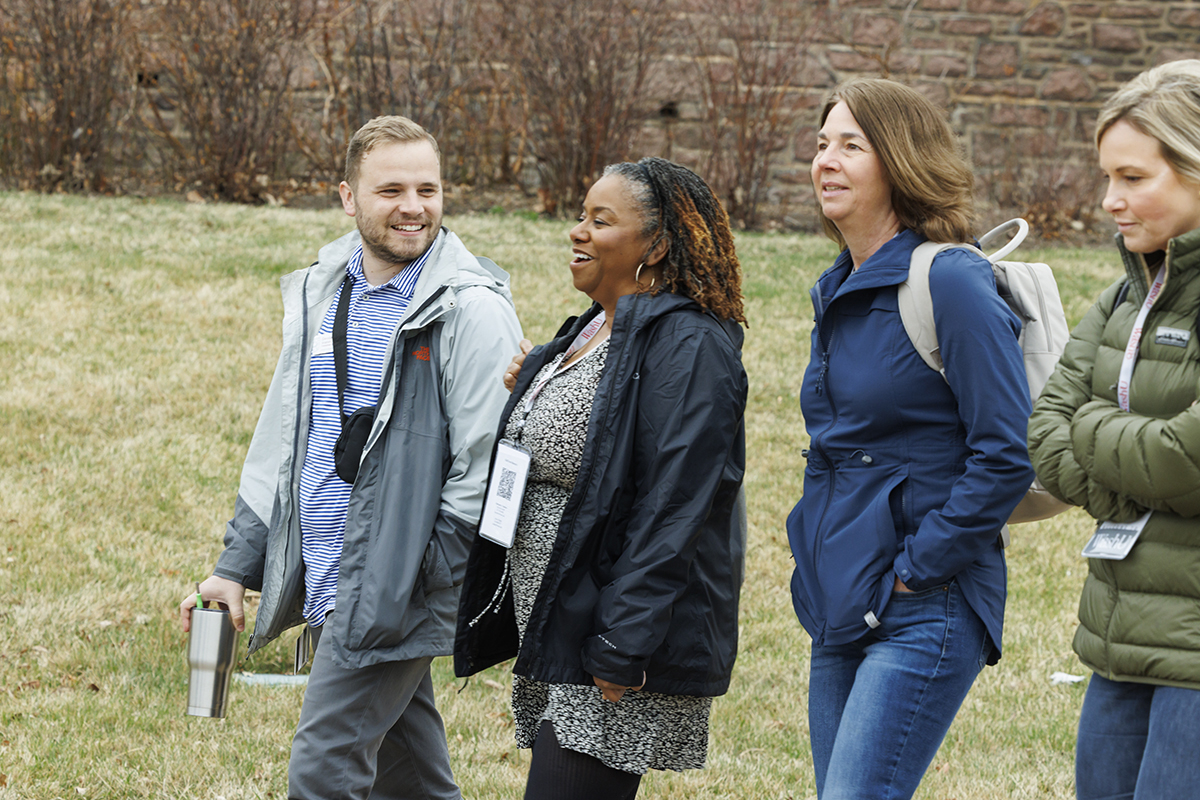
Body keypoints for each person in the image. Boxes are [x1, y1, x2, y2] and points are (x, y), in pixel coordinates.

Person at [177, 115, 522, 800]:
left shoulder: (469, 310)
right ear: (347, 197)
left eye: (428, 188)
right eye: (391, 189)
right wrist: (234, 567)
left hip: (394, 583)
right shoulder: (322, 291)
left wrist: (422, 577)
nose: (414, 207)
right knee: (411, 780)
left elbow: (493, 461)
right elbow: (285, 437)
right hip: (339, 570)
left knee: (322, 773)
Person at [454, 157, 748, 800]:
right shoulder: (590, 328)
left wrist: (623, 642)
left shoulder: (690, 346)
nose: (577, 232)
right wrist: (535, 376)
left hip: (610, 636)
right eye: (581, 216)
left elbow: (676, 505)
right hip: (562, 618)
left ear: (658, 245)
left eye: (600, 220)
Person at [786, 78, 1035, 799]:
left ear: (898, 160)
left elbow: (1003, 455)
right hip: (841, 597)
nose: (825, 160)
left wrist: (919, 568)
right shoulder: (836, 289)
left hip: (927, 600)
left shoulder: (951, 280)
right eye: (822, 143)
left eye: (851, 146)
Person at [1027, 60, 1200, 800]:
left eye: (1133, 178)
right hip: (1117, 644)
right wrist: (1139, 451)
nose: (1109, 201)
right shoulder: (1121, 300)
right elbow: (1043, 435)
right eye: (1107, 178)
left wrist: (1095, 421)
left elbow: (1184, 461)